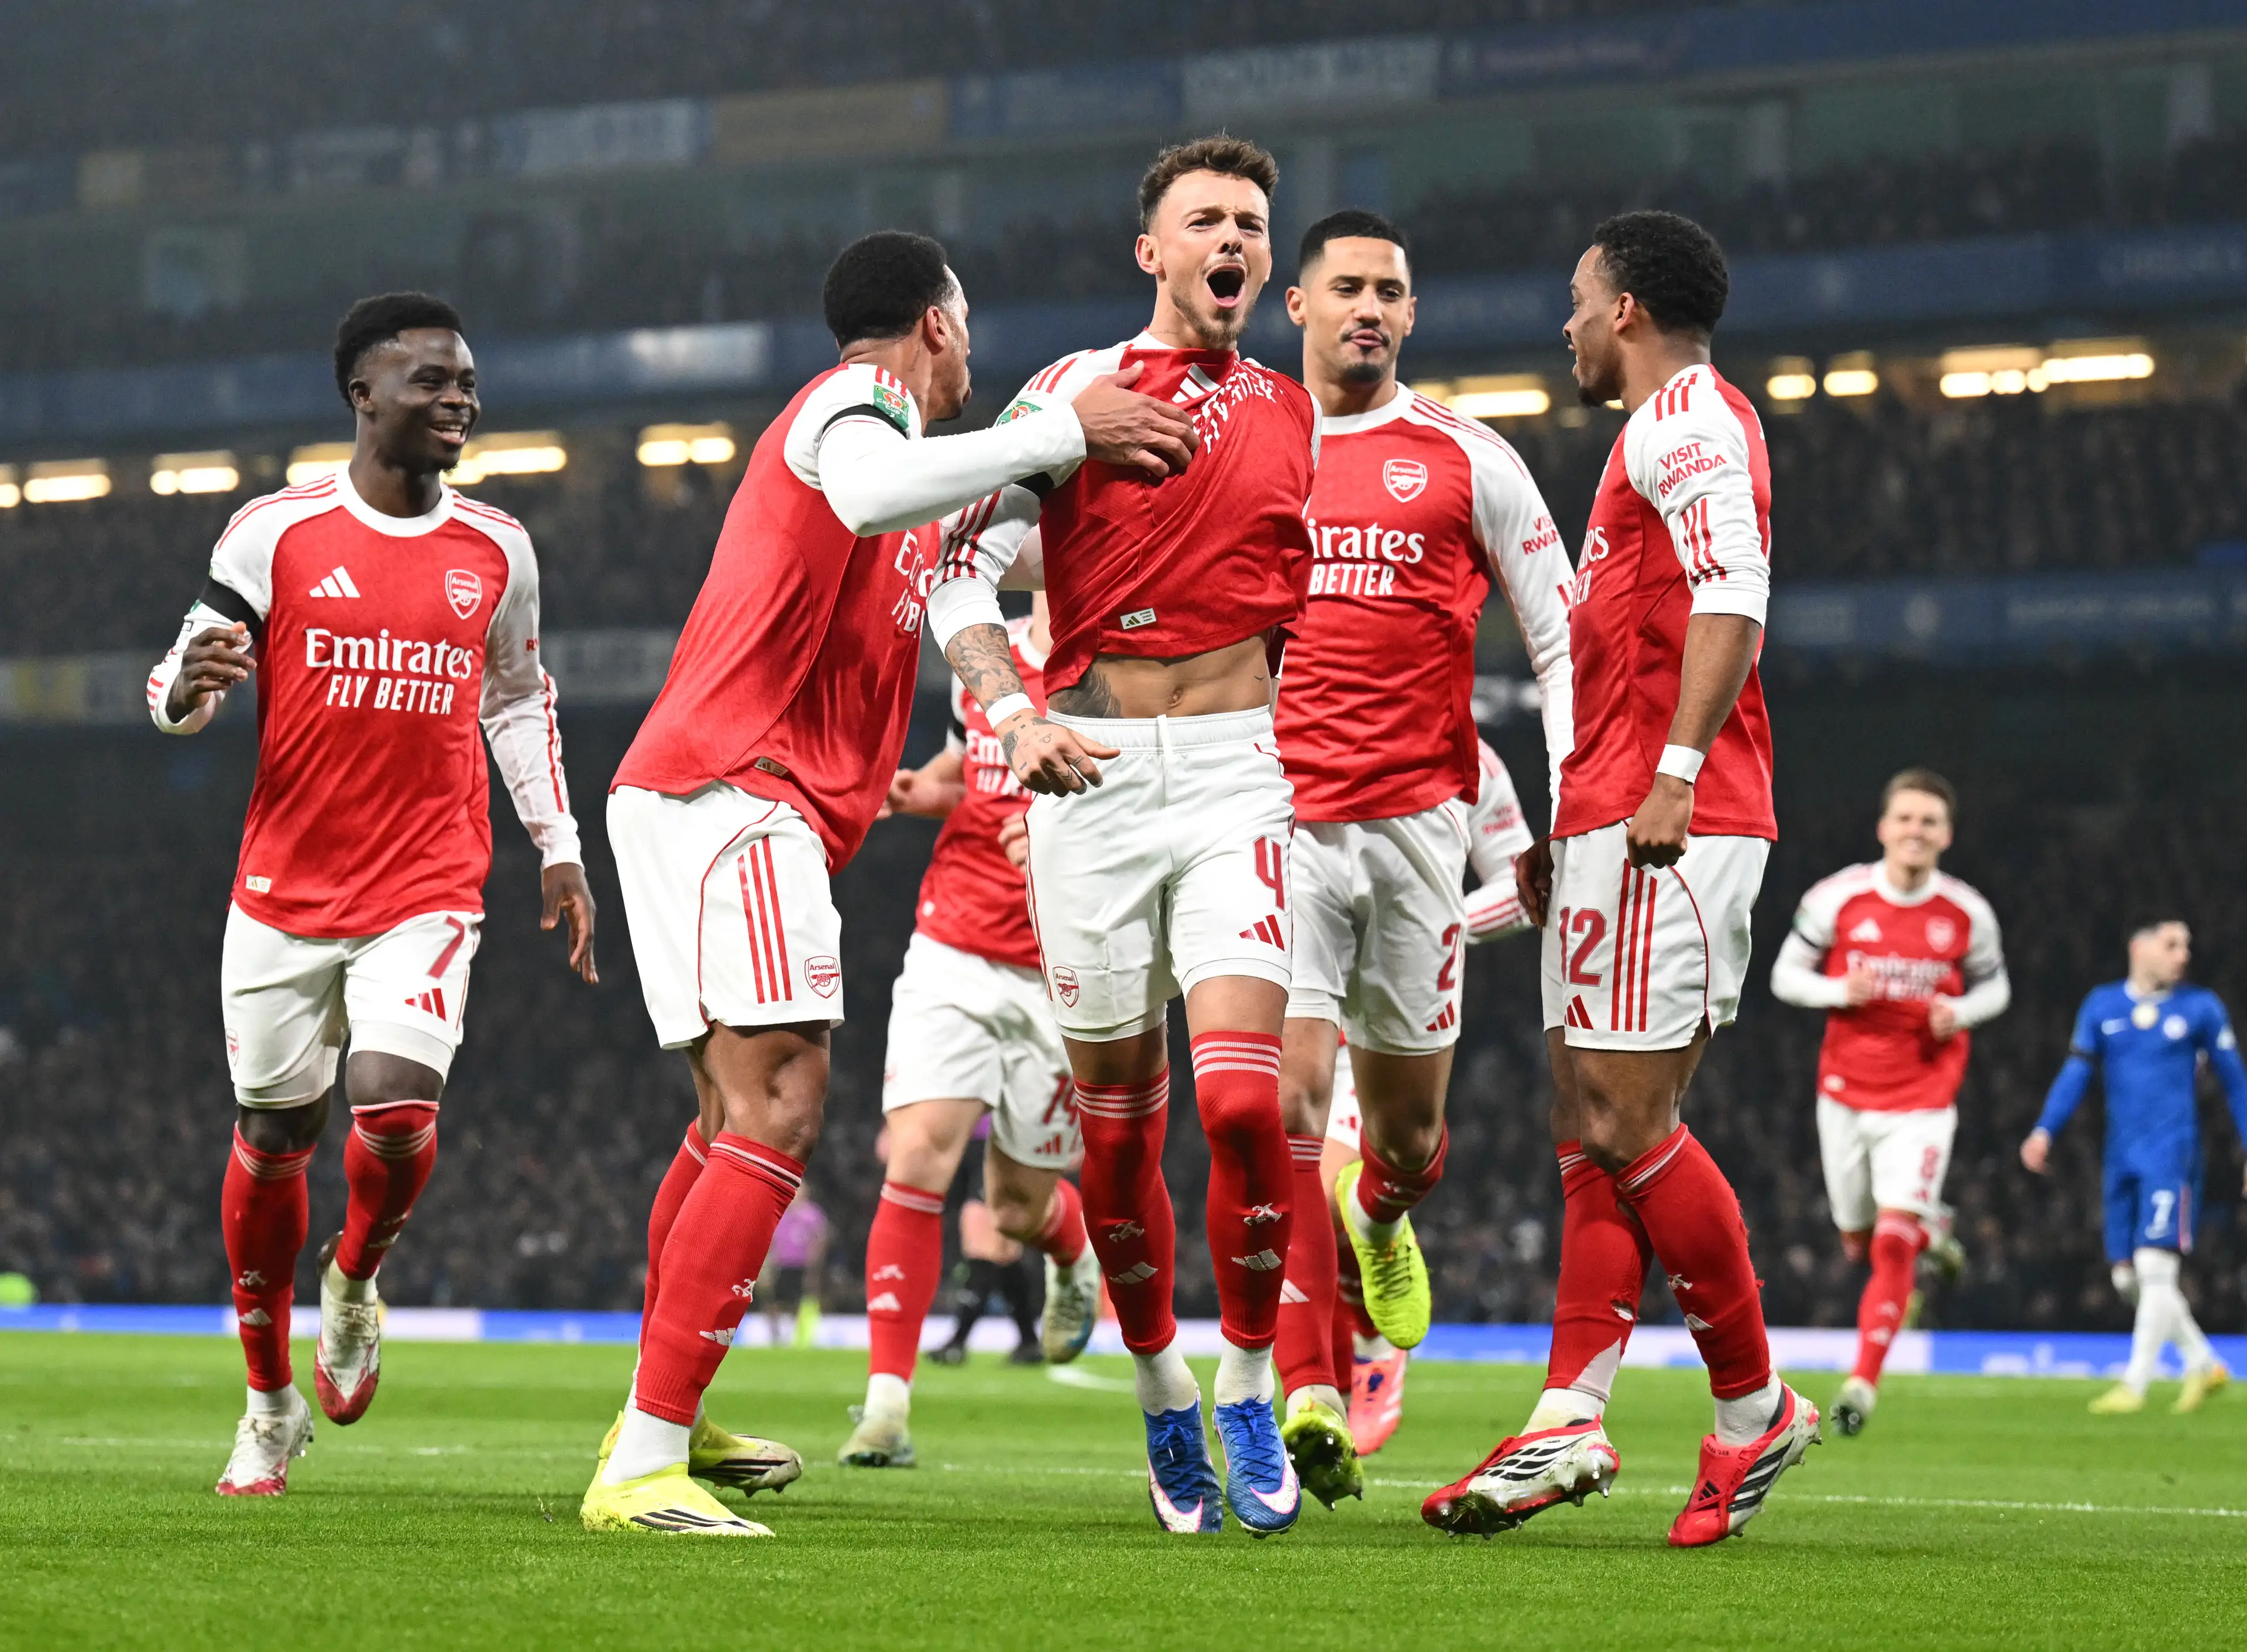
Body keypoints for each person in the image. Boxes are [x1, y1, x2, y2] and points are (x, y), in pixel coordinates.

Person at [583, 230, 1197, 1538]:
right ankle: (641, 1462)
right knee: (784, 1100)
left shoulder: (918, 490)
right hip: (735, 790)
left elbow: (1011, 557)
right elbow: (871, 494)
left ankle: (666, 1418)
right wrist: (1055, 428)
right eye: (964, 329)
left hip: (714, 794)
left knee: (723, 1114)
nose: (971, 355)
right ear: (933, 323)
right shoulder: (851, 408)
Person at [925, 134, 1320, 1536]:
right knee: (1114, 1129)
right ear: (1149, 250)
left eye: (1251, 224)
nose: (1233, 239)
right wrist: (1008, 707)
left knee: (1244, 1105)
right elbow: (951, 569)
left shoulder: (1297, 412)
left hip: (1236, 775)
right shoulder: (1066, 396)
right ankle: (1162, 1394)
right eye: (1205, 219)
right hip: (1088, 777)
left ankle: (1249, 1382)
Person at [148, 292, 599, 1498]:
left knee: (394, 1107)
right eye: (432, 381)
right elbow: (181, 674)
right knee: (274, 1134)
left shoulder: (498, 548)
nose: (460, 400)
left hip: (430, 880)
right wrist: (185, 681)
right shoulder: (274, 533)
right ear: (363, 393)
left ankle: (355, 1278)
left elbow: (518, 697)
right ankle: (267, 1400)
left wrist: (556, 840)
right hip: (284, 886)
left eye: (467, 382)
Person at [1424, 211, 1816, 1548]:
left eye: (1578, 303)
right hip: (1604, 818)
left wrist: (1673, 772)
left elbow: (1733, 591)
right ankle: (1564, 1417)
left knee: (1628, 1116)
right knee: (1586, 1127)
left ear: (1629, 313)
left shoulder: (1688, 421)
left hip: (1670, 817)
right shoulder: (1644, 436)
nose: (1567, 325)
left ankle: (1751, 1405)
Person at [1267, 209, 1573, 1507]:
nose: (1371, 310)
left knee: (1408, 1135)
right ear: (1298, 304)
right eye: (1348, 288)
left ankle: (1383, 1211)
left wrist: (1584, 800)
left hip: (1419, 827)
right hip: (1274, 817)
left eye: (1392, 291)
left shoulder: (1466, 456)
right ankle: (1308, 1389)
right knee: (1280, 1106)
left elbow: (1563, 639)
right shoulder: (1240, 443)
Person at [840, 596, 1095, 1468]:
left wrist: (1064, 830)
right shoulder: (983, 649)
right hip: (954, 941)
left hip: (1061, 963)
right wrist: (921, 791)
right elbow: (971, 766)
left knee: (1017, 1206)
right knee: (916, 1156)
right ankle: (885, 1405)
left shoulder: (1116, 659)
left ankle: (1070, 1242)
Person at [1316, 738, 1540, 1462]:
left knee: (1338, 1185)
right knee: (1284, 1184)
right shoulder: (1277, 708)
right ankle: (1306, 1373)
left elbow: (1527, 883)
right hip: (1291, 988)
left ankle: (1371, 1339)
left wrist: (1424, 933)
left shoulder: (1471, 755)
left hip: (1381, 1020)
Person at [1768, 768, 2008, 1437]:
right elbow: (1786, 976)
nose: (1916, 831)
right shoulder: (1838, 897)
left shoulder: (1967, 912)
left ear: (1946, 835)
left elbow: (1997, 991)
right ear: (1884, 827)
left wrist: (1959, 1011)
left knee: (1893, 1244)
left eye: (1929, 821)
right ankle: (1937, 1231)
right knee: (1859, 1240)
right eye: (1905, 818)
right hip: (1845, 1094)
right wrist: (1839, 991)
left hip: (1925, 1098)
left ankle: (1862, 1384)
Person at [2023, 918, 2245, 1414]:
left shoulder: (2201, 1008)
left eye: (2187, 943)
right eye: (2171, 943)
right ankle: (2203, 1360)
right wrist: (2044, 1129)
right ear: (2139, 948)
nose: (2183, 953)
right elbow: (2076, 1071)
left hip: (2173, 1153)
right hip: (2120, 1155)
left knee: (2154, 1267)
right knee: (2127, 1280)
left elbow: (2235, 1082)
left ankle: (2135, 1384)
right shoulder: (2103, 1006)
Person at [757, 1187, 830, 1348]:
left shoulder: (812, 1215)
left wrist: (814, 1265)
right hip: (781, 1265)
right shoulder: (778, 1212)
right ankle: (775, 1337)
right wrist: (767, 1266)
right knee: (773, 1303)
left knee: (799, 1303)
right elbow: (770, 1241)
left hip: (801, 1266)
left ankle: (799, 1338)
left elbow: (820, 1239)